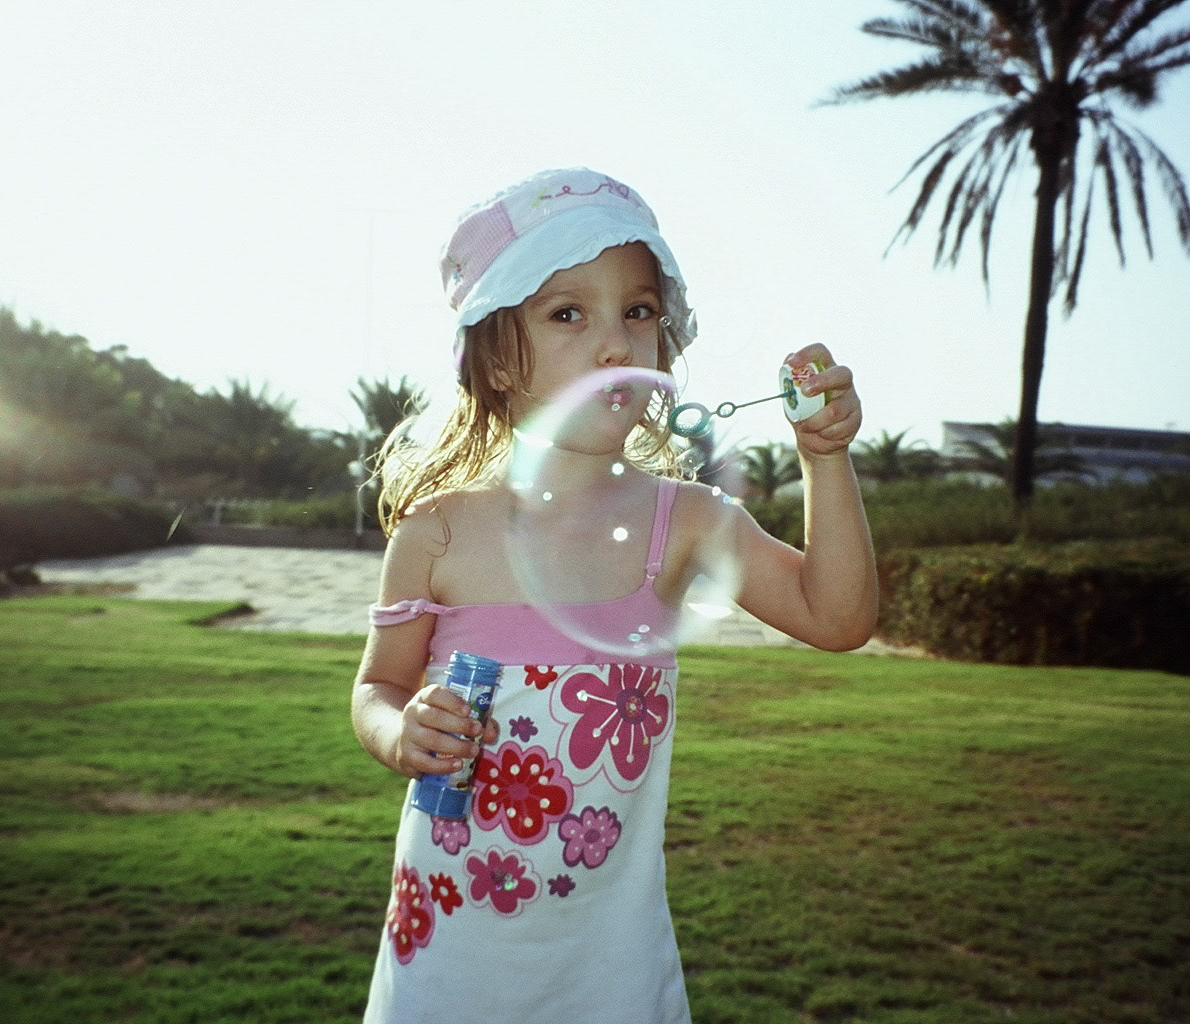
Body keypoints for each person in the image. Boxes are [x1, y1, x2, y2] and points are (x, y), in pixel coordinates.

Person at [351, 167, 878, 1023]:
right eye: (569, 313)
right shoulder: (437, 532)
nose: (616, 345)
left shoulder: (687, 521)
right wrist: (398, 731)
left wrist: (825, 459)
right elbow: (377, 686)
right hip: (445, 960)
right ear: (496, 357)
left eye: (638, 312)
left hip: (610, 970)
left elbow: (839, 616)